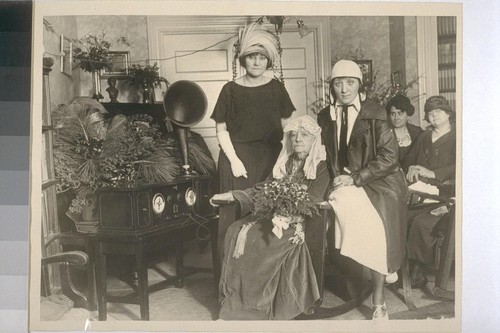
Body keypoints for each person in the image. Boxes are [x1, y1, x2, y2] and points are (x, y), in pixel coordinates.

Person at [211, 115, 329, 320]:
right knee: (235, 231)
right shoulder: (285, 163)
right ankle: (236, 303)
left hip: (298, 221)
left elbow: (313, 199)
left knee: (264, 241)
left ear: (314, 140)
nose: (297, 139)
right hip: (272, 216)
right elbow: (264, 189)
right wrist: (234, 195)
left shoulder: (320, 167)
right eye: (293, 135)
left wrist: (290, 214)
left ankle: (256, 307)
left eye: (304, 135)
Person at [317, 60, 408, 320]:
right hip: (342, 181)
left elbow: (390, 158)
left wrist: (357, 177)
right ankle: (381, 267)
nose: (344, 89)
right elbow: (323, 155)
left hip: (380, 181)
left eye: (350, 82)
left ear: (359, 84)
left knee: (376, 226)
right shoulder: (325, 116)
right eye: (338, 83)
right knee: (351, 212)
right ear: (332, 86)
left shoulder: (376, 112)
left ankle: (378, 300)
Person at [211, 22, 296, 193]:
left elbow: (288, 129)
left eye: (262, 57)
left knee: (270, 214)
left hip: (271, 159)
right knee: (235, 210)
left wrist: (285, 159)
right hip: (236, 159)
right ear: (243, 59)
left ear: (268, 61)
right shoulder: (229, 90)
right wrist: (234, 160)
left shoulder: (276, 88)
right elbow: (221, 129)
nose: (257, 63)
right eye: (252, 57)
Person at [403, 95, 456, 288]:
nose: (434, 116)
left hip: (446, 195)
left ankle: (416, 272)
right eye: (430, 113)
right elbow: (408, 160)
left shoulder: (457, 137)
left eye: (438, 112)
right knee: (401, 217)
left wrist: (432, 173)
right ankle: (403, 271)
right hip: (420, 193)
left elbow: (463, 167)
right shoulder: (424, 137)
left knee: (422, 223)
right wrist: (410, 167)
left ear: (448, 114)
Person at [385, 94, 422, 166]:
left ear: (408, 115)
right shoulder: (385, 134)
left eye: (400, 113)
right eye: (393, 114)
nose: (396, 118)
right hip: (392, 176)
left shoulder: (418, 132)